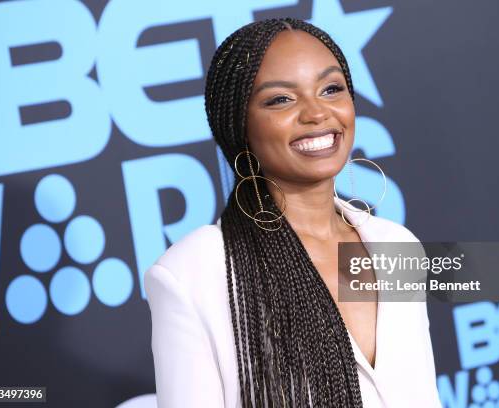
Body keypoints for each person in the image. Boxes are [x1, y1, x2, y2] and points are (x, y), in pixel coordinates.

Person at [144, 17, 442, 408]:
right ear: (238, 125)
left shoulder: (397, 245)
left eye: (331, 89)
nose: (317, 113)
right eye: (281, 99)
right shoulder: (191, 273)